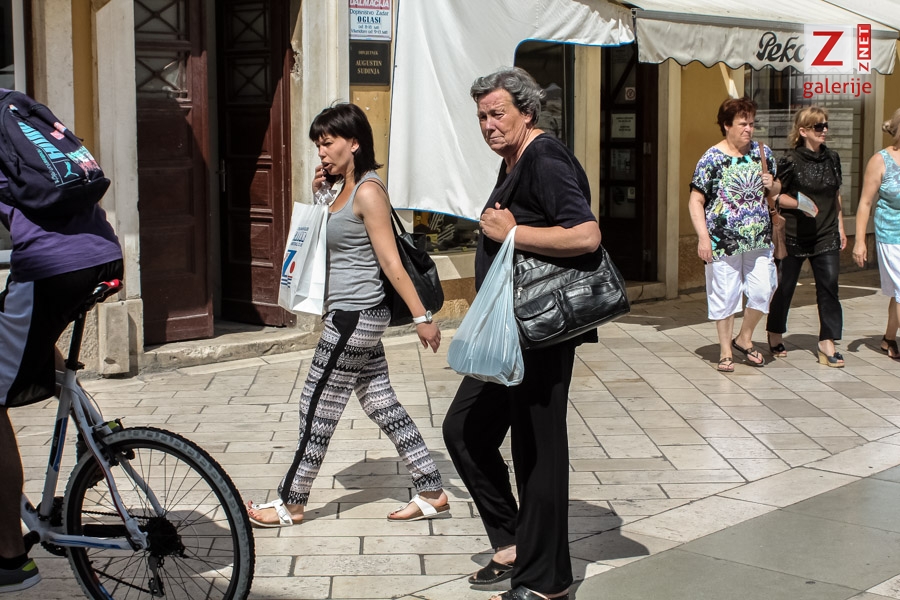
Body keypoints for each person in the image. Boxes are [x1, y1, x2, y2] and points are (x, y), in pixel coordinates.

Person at [246, 103, 448, 527]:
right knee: (380, 401)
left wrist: (421, 317)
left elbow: (391, 262)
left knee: (315, 403)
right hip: (351, 313)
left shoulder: (369, 192)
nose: (321, 151)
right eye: (318, 144)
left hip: (355, 315)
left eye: (328, 142)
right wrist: (319, 194)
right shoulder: (340, 189)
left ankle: (291, 501)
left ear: (354, 143)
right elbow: (321, 242)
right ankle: (432, 490)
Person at [443, 67, 602, 600]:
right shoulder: (513, 159)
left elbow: (586, 234)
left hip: (540, 331)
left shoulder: (545, 157)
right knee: (465, 430)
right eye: (482, 116)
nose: (488, 124)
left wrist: (515, 231)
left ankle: (547, 581)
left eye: (498, 113)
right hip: (508, 332)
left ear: (527, 112)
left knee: (538, 448)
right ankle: (513, 543)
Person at [0, 158, 123, 590]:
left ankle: (10, 559)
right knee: (25, 332)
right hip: (102, 253)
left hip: (49, 264)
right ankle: (95, 432)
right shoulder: (31, 123)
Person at [688, 97, 780, 372]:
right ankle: (725, 350)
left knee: (764, 289)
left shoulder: (762, 153)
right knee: (725, 295)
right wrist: (703, 238)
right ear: (727, 125)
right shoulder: (711, 159)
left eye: (751, 123)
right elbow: (696, 200)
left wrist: (773, 185)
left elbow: (776, 191)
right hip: (723, 240)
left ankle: (744, 338)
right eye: (743, 124)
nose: (749, 129)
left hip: (759, 238)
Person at [766, 107, 846, 366]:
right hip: (793, 234)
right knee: (784, 287)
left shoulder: (832, 158)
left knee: (829, 285)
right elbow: (775, 195)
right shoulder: (790, 161)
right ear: (803, 131)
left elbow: (835, 195)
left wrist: (841, 227)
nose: (824, 130)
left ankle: (827, 341)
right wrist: (800, 204)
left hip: (826, 233)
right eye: (818, 126)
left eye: (825, 125)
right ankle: (775, 332)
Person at [852, 108, 900, 361]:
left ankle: (889, 338)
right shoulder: (881, 160)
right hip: (891, 234)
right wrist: (860, 241)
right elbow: (865, 203)